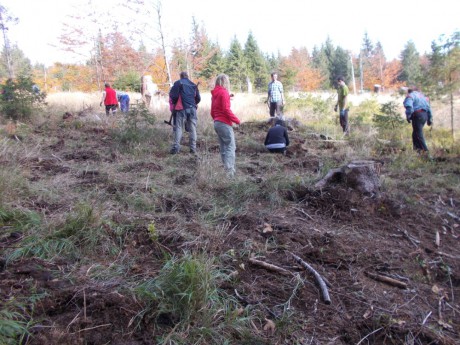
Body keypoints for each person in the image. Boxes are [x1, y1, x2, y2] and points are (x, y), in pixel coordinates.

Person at [211, 74, 241, 177]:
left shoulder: (215, 94)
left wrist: (216, 119)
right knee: (230, 147)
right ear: (225, 82)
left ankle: (226, 170)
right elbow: (226, 109)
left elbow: (212, 111)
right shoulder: (224, 93)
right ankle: (230, 173)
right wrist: (237, 120)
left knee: (224, 147)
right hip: (224, 123)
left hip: (217, 123)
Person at [169, 71, 201, 154]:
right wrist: (193, 103)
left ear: (180, 76)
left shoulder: (178, 83)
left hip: (181, 108)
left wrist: (175, 102)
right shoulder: (193, 84)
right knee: (192, 129)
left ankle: (176, 147)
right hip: (192, 109)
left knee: (179, 128)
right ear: (187, 76)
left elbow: (173, 95)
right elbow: (198, 98)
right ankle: (193, 148)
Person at [403, 87, 433, 152]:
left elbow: (408, 105)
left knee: (418, 134)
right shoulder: (422, 97)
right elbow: (429, 108)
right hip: (425, 115)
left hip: (417, 115)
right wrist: (430, 119)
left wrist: (408, 115)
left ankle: (426, 152)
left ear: (409, 91)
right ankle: (417, 151)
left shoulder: (410, 95)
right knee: (415, 133)